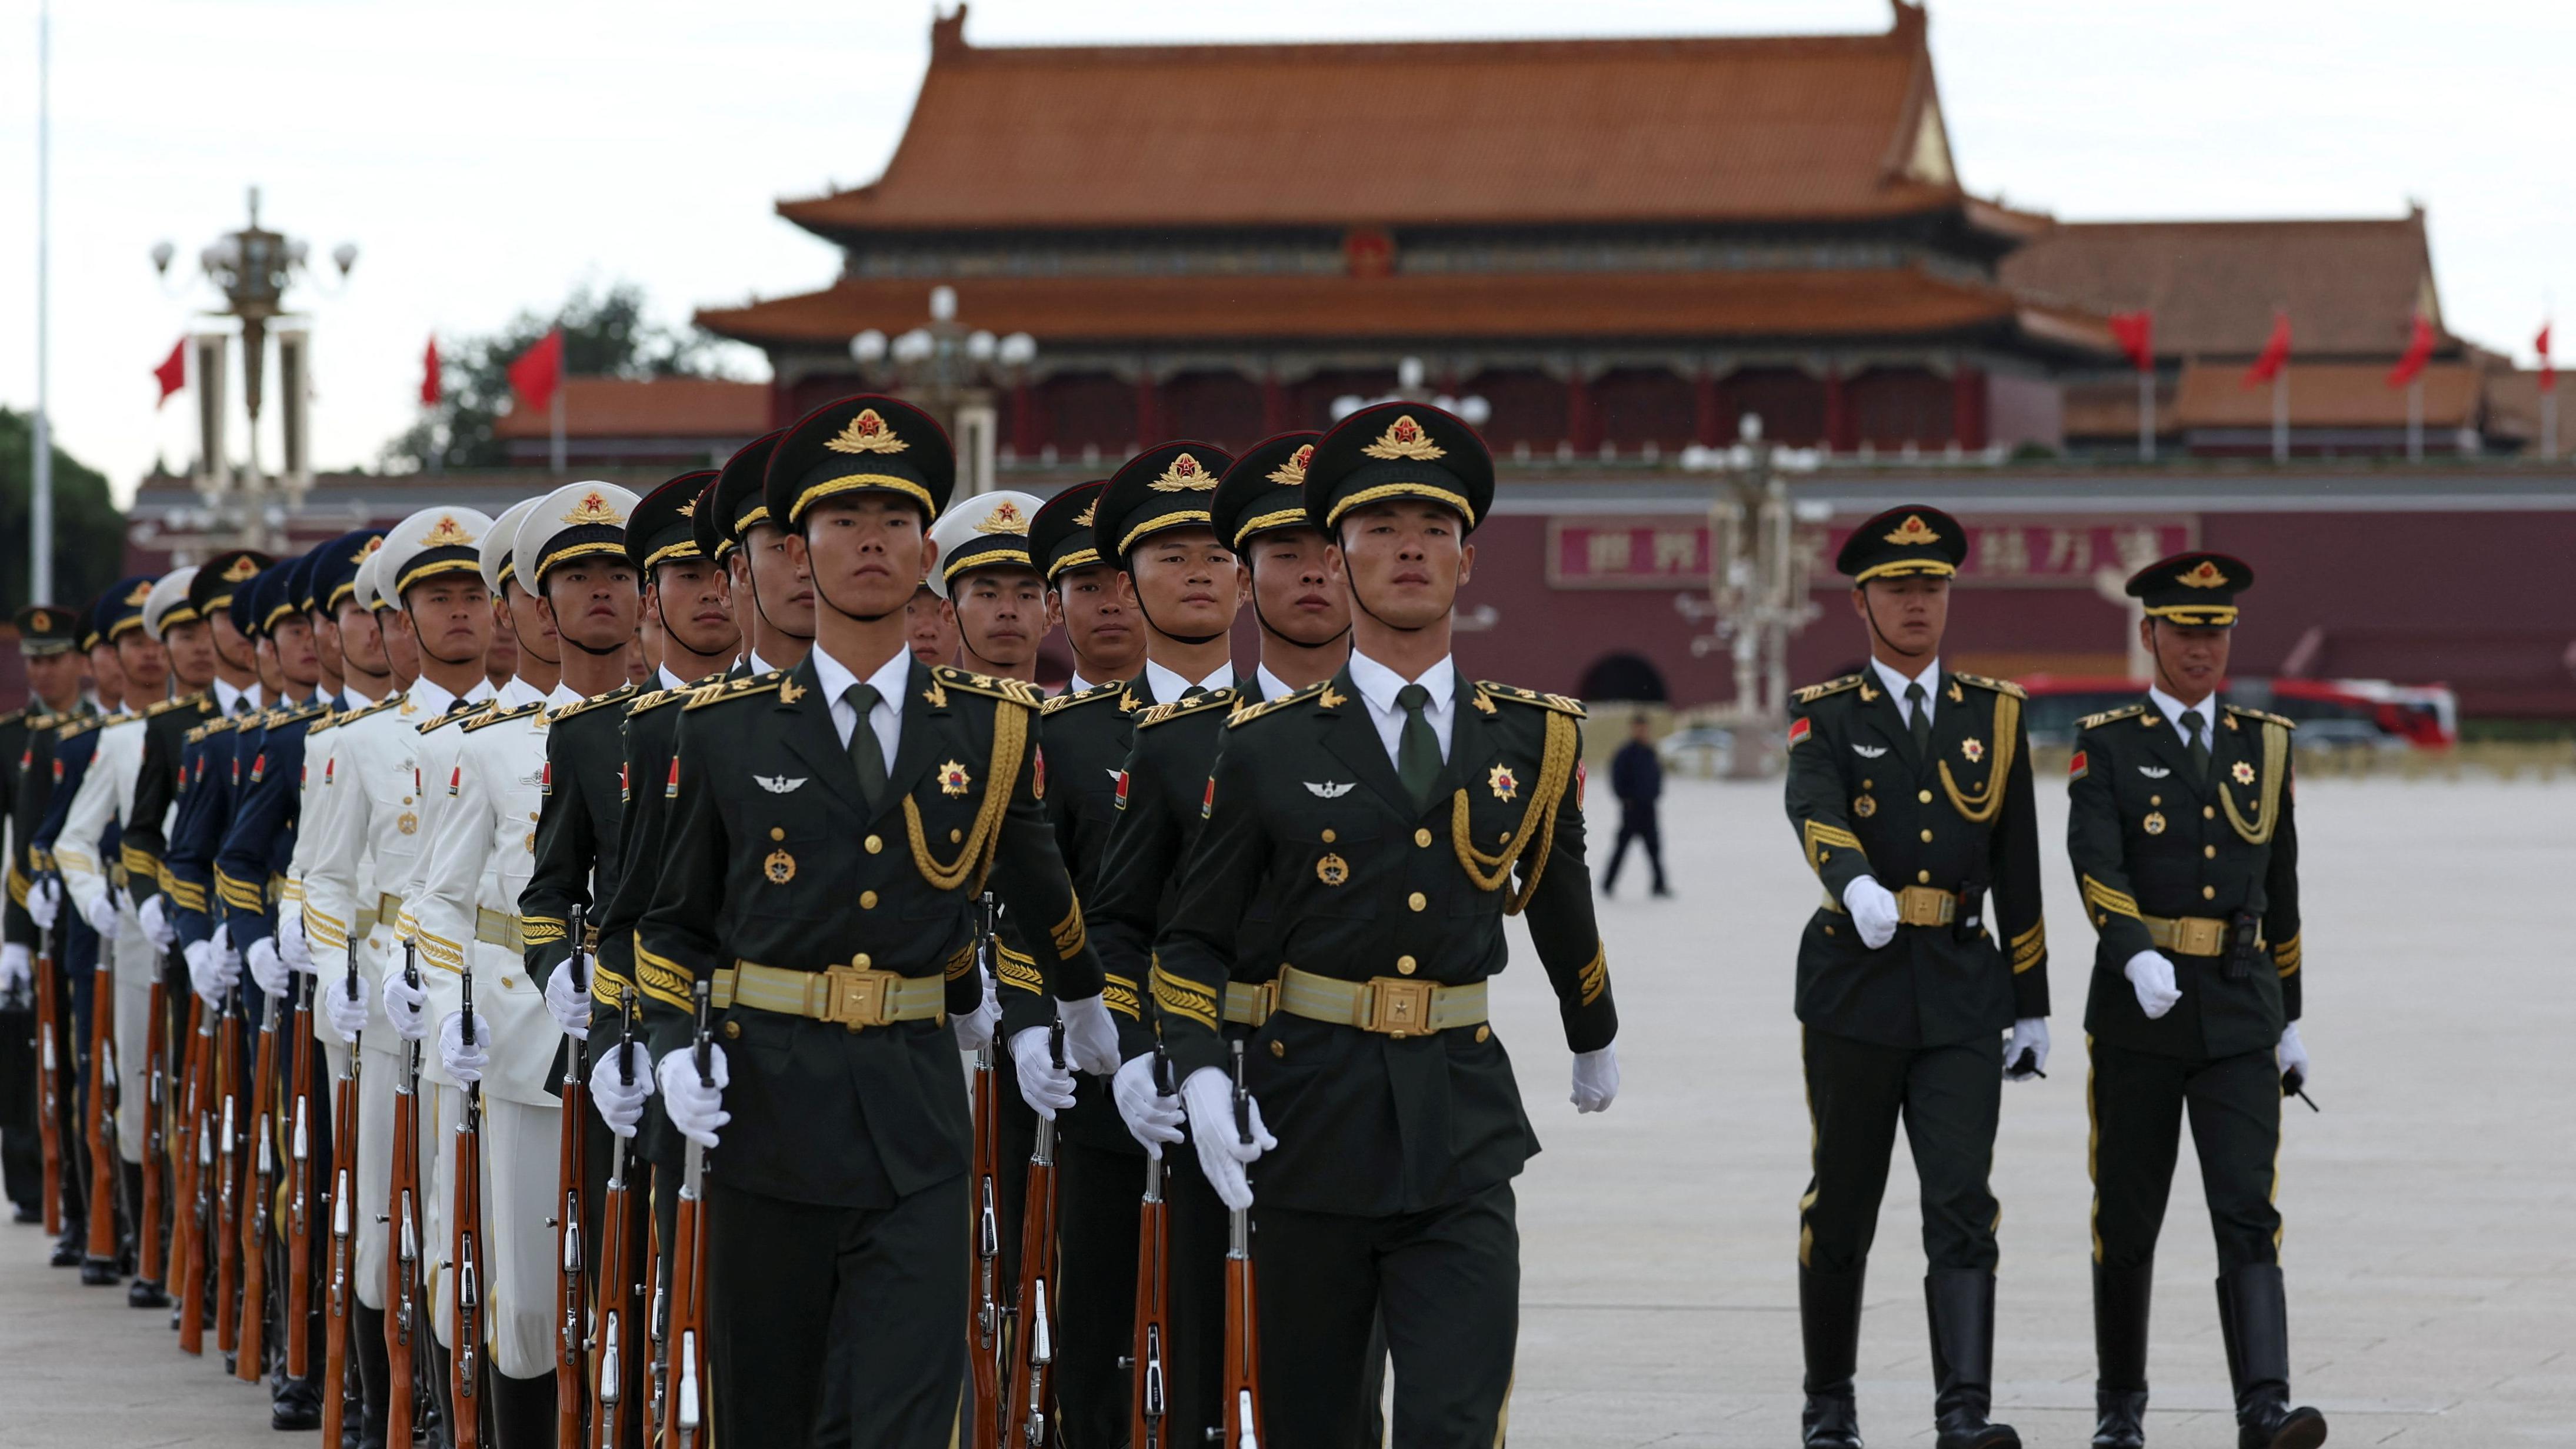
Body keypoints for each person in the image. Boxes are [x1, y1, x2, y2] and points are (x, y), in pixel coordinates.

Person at [635, 394, 1118, 1446]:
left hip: (914, 1107)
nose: (869, 543)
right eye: (843, 523)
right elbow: (674, 924)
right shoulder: (723, 730)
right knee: (769, 1406)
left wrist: (1080, 1004)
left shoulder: (990, 726)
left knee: (905, 1405)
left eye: (893, 524)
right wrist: (673, 1044)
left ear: (926, 554)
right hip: (767, 1103)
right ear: (798, 553)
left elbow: (1038, 886)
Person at [1152, 402, 1619, 1448]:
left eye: (1433, 530)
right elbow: (1189, 941)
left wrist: (1594, 1028)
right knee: (1318, 1421)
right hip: (1307, 1112)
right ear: (1341, 555)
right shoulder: (1263, 746)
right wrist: (1196, 1068)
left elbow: (1556, 884)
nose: (1408, 549)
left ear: (1466, 557)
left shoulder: (1531, 734)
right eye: (1378, 531)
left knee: (1454, 1417)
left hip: (1460, 1117)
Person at [1098, 431, 1368, 1445]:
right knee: (1212, 1369)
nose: (1311, 575)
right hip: (1220, 1073)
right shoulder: (1180, 747)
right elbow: (1123, 926)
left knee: (1350, 1381)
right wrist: (1144, 1053)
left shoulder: (1430, 736)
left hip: (1364, 1086)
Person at [1781, 506, 2047, 1449]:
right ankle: (1828, 1400)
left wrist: (2032, 1003)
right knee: (1843, 1197)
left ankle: (1962, 1411)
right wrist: (1852, 883)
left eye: (1930, 587)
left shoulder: (1994, 713)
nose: (1915, 604)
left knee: (1961, 1199)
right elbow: (1811, 807)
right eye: (1897, 588)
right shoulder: (1825, 709)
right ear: (1861, 601)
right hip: (1854, 987)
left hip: (1962, 991)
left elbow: (2018, 861)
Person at [2071, 554, 2323, 1449]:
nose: (2200, 648)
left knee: (2246, 1207)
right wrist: (2133, 951)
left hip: (2237, 1006)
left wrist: (2288, 1014)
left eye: (2214, 631)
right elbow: (2094, 865)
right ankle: (2118, 1407)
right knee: (2127, 1212)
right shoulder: (2105, 739)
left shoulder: (2266, 740)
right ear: (2149, 634)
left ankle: (2264, 1404)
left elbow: (2281, 887)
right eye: (2183, 630)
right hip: (2139, 1012)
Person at [305, 509, 499, 1446]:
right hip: (384, 1003)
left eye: (472, 595)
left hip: (492, 1007)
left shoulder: (525, 732)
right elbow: (327, 875)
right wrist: (341, 965)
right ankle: (393, 1388)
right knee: (388, 1216)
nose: (458, 614)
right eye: (437, 598)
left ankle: (467, 1395)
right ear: (397, 618)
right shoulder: (359, 742)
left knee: (479, 1217)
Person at [0, 602, 88, 1224]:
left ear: (80, 662)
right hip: (27, 901)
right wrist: (12, 933)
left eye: (54, 659)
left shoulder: (108, 730)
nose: (43, 673)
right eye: (34, 661)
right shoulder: (12, 737)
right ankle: (31, 1179)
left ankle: (82, 1171)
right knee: (27, 1042)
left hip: (90, 905)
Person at [1602, 713, 1669, 897]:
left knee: (1654, 850)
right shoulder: (1625, 754)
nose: (1642, 731)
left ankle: (1660, 885)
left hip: (1649, 808)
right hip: (1632, 810)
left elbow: (1657, 776)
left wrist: (1655, 794)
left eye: (1644, 728)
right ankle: (1607, 885)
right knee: (1621, 848)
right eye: (1638, 727)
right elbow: (1617, 778)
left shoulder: (1650, 751)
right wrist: (1625, 798)